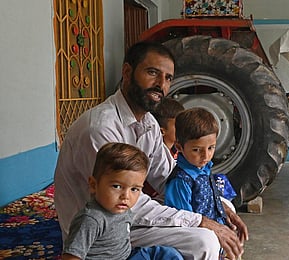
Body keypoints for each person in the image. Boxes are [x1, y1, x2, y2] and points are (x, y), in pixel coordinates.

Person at [54, 40, 248, 260]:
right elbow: (126, 201)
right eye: (152, 73)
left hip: (126, 219)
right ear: (127, 72)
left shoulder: (149, 123)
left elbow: (168, 176)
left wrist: (219, 208)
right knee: (205, 240)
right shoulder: (99, 128)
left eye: (168, 78)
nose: (161, 85)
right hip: (101, 232)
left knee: (222, 207)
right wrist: (201, 221)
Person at [62, 142, 183, 260]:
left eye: (134, 189)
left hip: (128, 255)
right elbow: (71, 256)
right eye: (116, 186)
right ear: (94, 185)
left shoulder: (123, 208)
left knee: (167, 254)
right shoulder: (91, 219)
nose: (126, 196)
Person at [164, 108, 244, 258]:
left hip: (214, 227)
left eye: (211, 148)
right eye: (196, 150)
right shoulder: (180, 180)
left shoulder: (203, 168)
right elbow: (184, 220)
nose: (205, 156)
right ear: (180, 147)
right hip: (200, 237)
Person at [143, 98, 185, 197]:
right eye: (178, 125)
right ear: (162, 131)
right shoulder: (154, 154)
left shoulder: (177, 149)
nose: (184, 128)